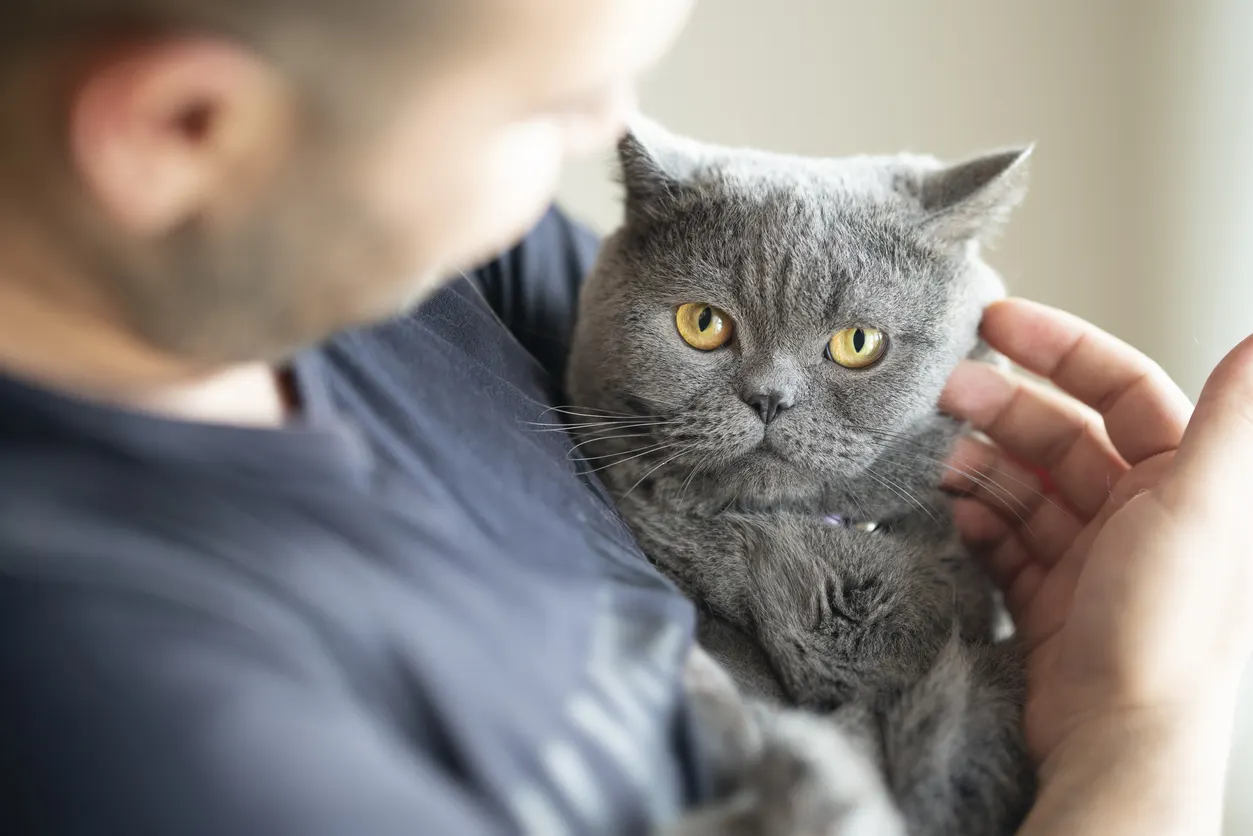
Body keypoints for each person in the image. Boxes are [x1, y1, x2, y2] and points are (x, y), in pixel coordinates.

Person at [0, 1, 1247, 834]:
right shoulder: (146, 722)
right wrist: (1143, 740)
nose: (614, 134)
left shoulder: (404, 270)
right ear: (182, 130)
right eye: (547, 107)